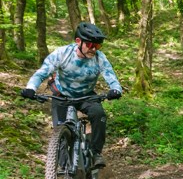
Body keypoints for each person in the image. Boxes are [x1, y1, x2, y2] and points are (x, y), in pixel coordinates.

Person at [21, 22, 122, 169]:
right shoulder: (62, 53)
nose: (93, 49)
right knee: (59, 130)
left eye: (97, 46)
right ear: (78, 42)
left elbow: (110, 76)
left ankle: (95, 153)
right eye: (89, 44)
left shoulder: (99, 58)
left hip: (86, 95)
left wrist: (115, 89)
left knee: (99, 114)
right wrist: (30, 88)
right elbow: (42, 72)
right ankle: (65, 170)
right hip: (62, 95)